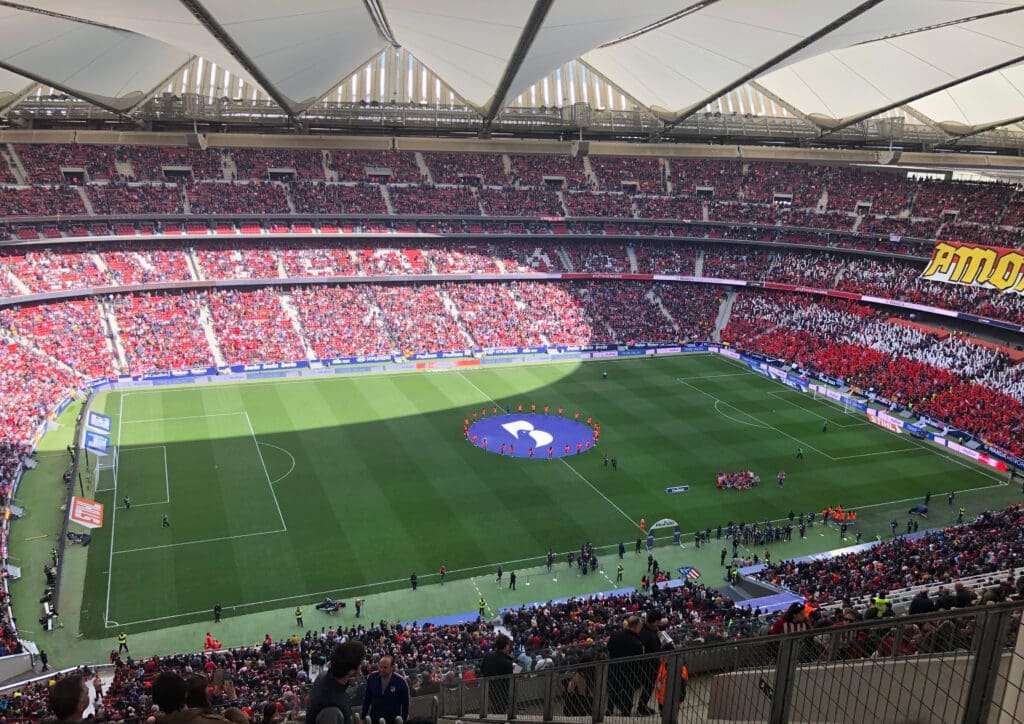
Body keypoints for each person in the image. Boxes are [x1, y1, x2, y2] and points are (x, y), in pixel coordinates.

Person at [306, 641, 366, 724]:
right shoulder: (332, 710)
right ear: (351, 671)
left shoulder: (323, 677)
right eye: (361, 663)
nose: (361, 666)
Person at [607, 615, 644, 716]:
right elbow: (639, 660)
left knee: (612, 690)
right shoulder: (637, 642)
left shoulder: (615, 635)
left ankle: (609, 710)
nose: (641, 627)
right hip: (629, 673)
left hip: (614, 669)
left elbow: (609, 649)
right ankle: (625, 711)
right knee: (628, 692)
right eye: (640, 625)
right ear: (636, 626)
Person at [361, 655, 410, 724]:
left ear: (392, 667)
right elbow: (367, 699)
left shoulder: (401, 682)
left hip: (393, 720)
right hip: (375, 719)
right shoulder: (372, 678)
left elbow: (405, 704)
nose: (381, 669)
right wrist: (363, 717)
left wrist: (404, 720)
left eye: (385, 667)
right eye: (380, 666)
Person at [480, 634, 515, 714]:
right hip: (502, 692)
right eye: (509, 645)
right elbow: (510, 679)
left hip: (488, 688)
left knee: (497, 710)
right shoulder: (507, 662)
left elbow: (482, 670)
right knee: (500, 712)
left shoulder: (488, 655)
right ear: (506, 646)